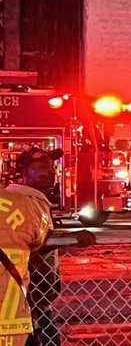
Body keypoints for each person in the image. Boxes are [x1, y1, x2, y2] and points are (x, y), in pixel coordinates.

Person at [0, 148, 54, 346]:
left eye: (51, 167)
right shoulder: (24, 203)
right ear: (23, 172)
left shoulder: (30, 199)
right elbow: (40, 239)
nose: (50, 172)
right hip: (25, 303)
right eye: (40, 167)